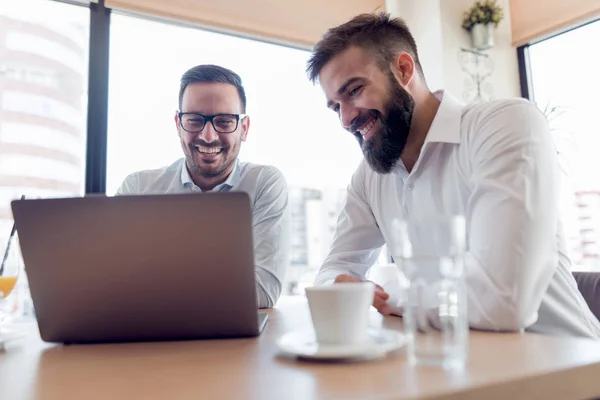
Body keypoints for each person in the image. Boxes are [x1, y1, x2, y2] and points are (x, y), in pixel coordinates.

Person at [307, 12, 600, 337]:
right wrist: (341, 285)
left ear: (403, 70)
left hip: (568, 373)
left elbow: (501, 301)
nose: (346, 119)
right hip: (455, 370)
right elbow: (333, 270)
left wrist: (385, 295)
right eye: (336, 106)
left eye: (355, 91)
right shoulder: (368, 178)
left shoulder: (505, 124)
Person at [116, 64, 290, 309]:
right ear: (178, 124)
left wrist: (153, 279)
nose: (208, 136)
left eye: (225, 121)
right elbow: (115, 283)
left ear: (244, 128)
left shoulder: (264, 183)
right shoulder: (137, 187)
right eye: (195, 120)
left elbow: (263, 291)